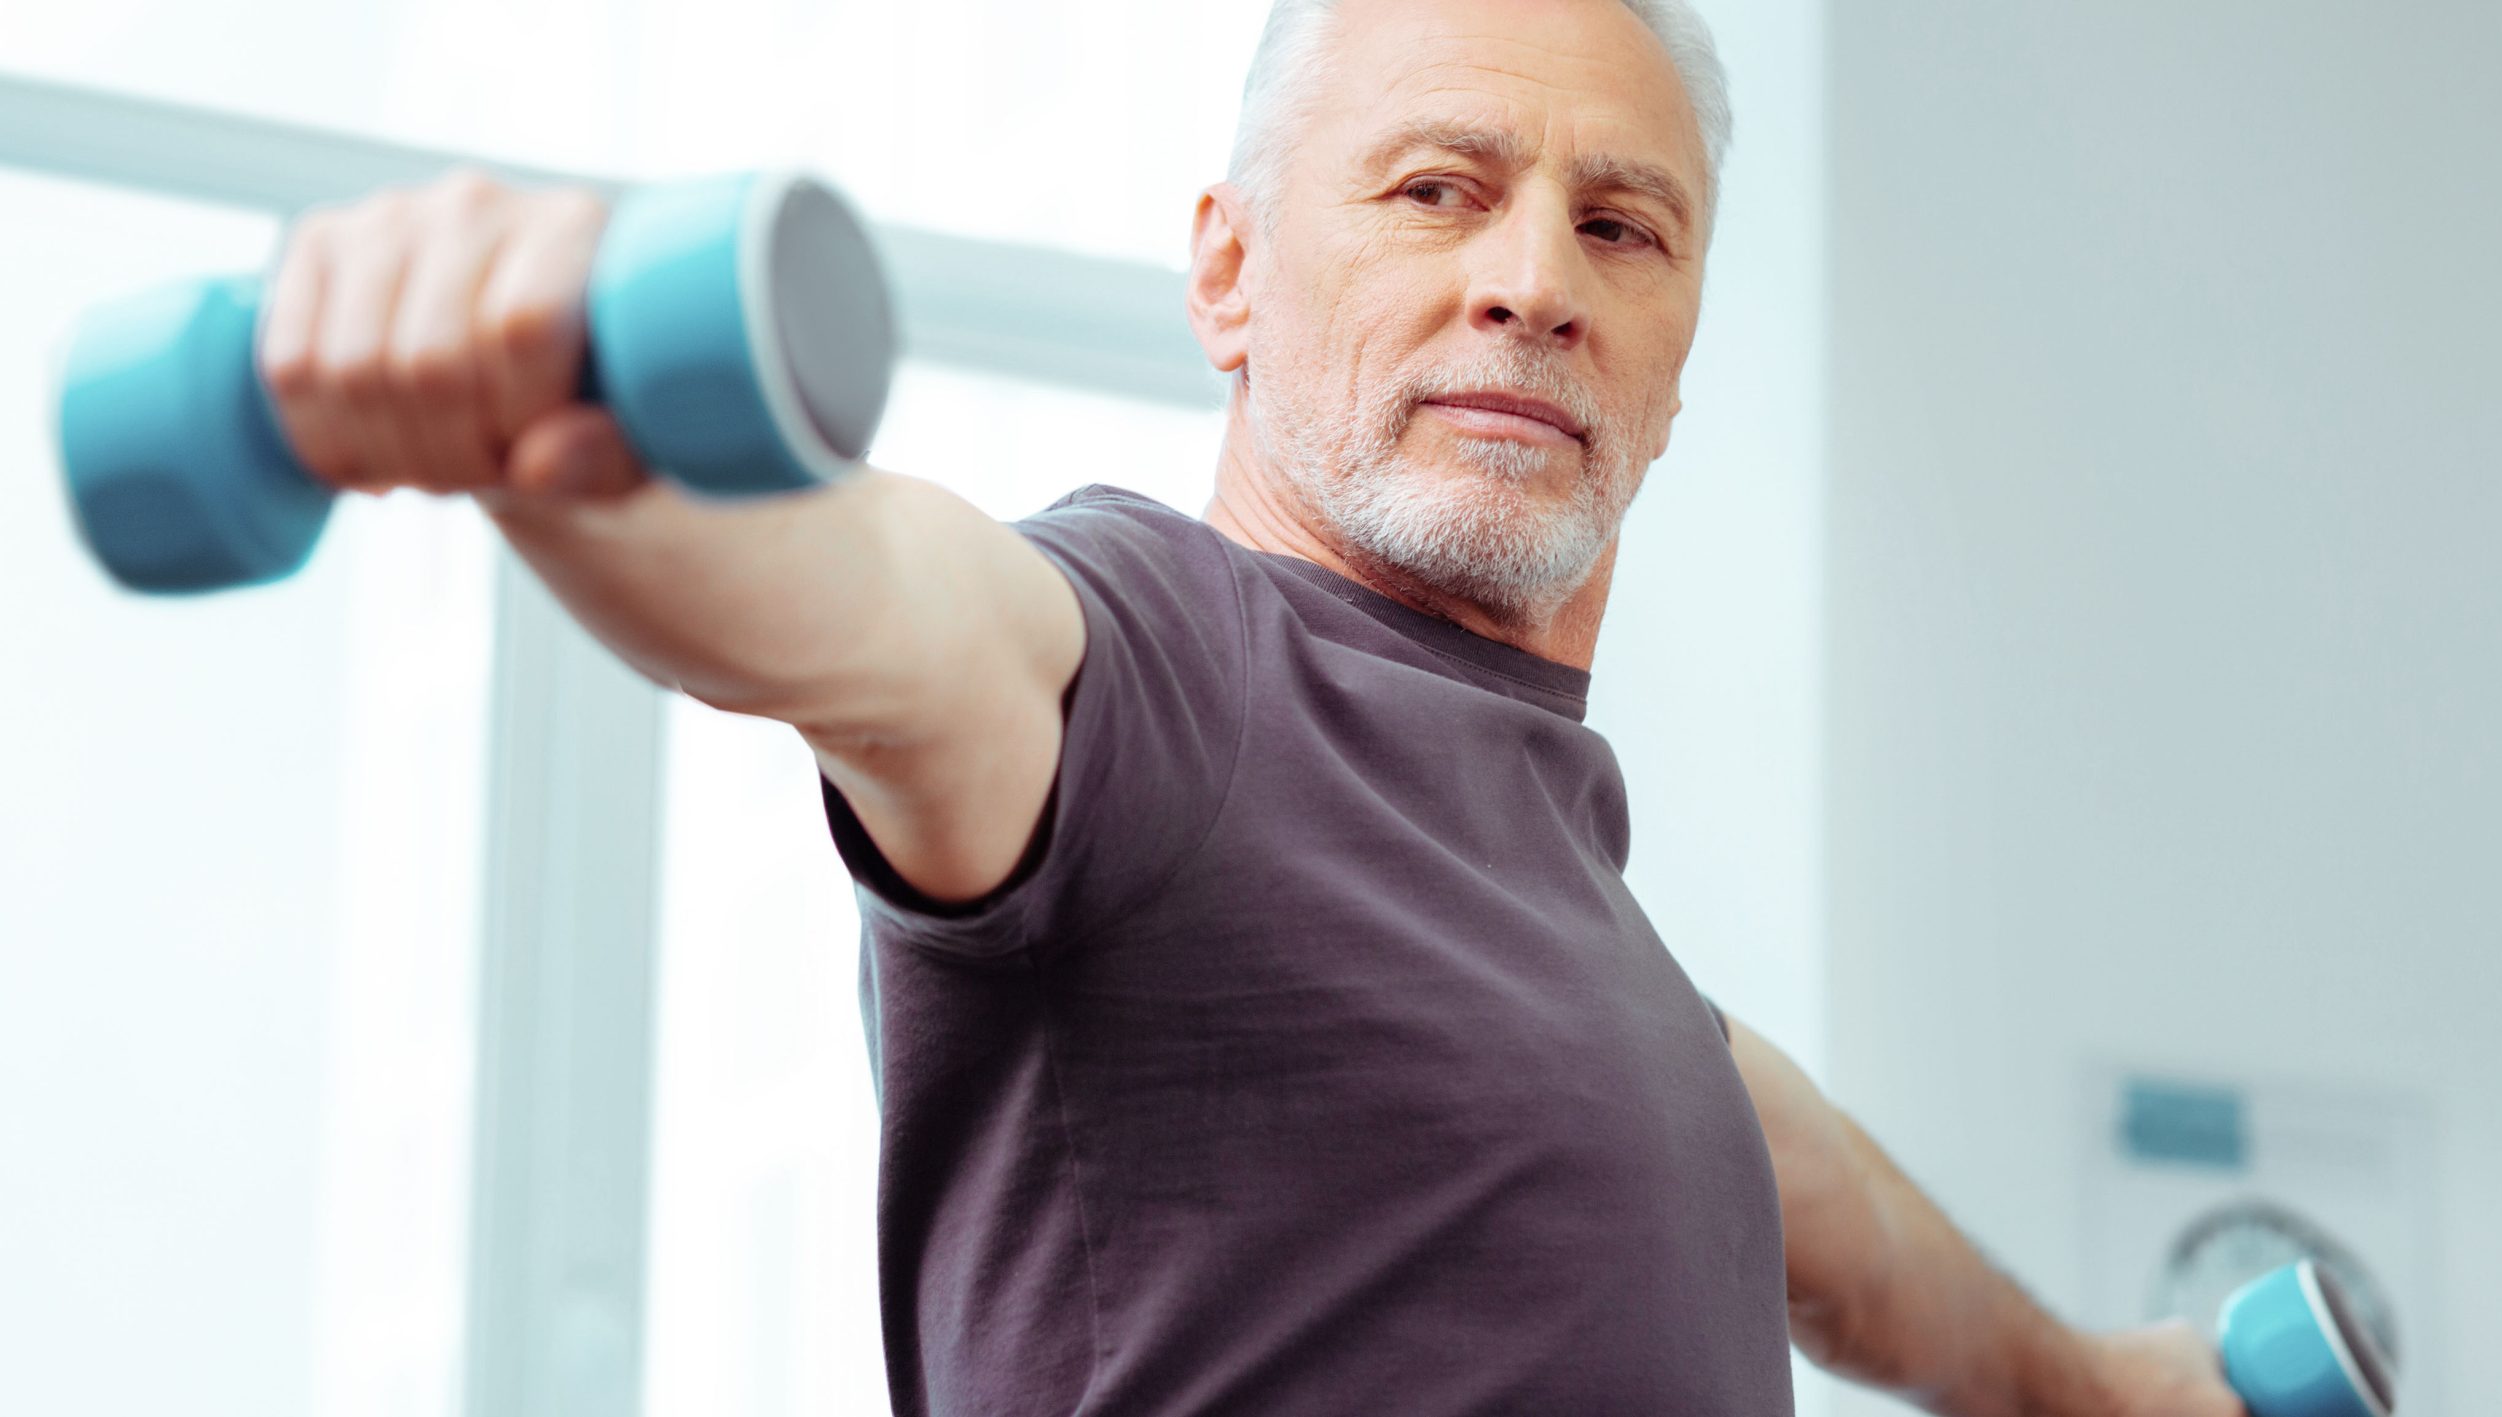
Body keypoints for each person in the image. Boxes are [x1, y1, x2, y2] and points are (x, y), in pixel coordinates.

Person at [250, 0, 2252, 1411]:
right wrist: (565, 431)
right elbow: (866, 603)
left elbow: (1770, 1161)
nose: (1532, 280)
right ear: (1224, 273)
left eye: (1618, 226)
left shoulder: (1571, 906)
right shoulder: (1147, 667)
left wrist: (2087, 1385)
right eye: (1433, 191)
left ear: (1674, 357)